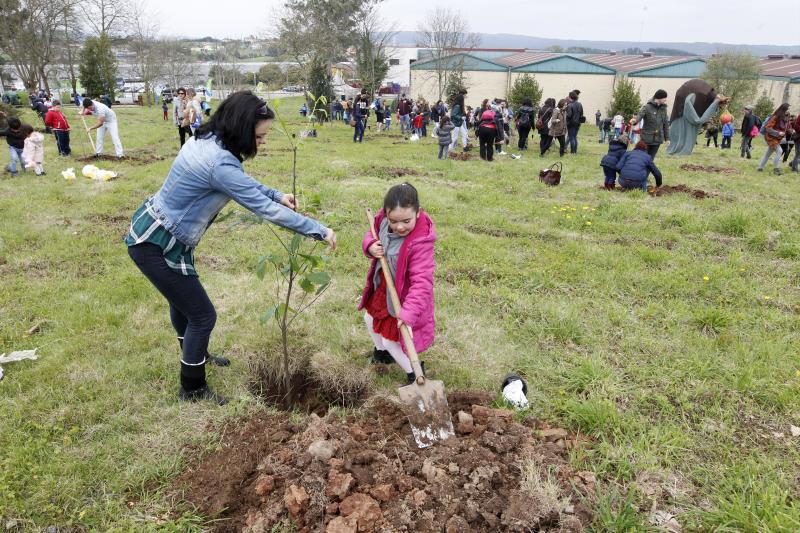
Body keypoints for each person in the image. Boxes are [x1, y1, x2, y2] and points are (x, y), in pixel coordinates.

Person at [125, 91, 337, 405]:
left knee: (183, 302)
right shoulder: (219, 163)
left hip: (159, 232)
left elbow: (240, 182)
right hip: (157, 243)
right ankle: (192, 388)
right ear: (241, 128)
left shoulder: (207, 140)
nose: (263, 141)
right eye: (260, 135)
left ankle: (193, 353)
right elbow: (263, 209)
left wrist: (276, 193)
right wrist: (318, 230)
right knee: (202, 315)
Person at [359, 183, 435, 384]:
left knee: (391, 340)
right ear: (386, 214)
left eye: (406, 221)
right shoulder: (382, 220)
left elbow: (422, 283)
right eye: (394, 221)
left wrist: (408, 314)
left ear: (417, 213)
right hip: (384, 287)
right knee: (369, 318)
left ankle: (415, 375)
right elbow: (372, 232)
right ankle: (383, 355)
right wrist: (370, 246)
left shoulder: (421, 241)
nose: (399, 226)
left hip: (404, 298)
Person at [667, 79, 728, 156]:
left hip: (689, 103)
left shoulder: (704, 95)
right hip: (684, 109)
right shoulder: (696, 96)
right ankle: (678, 148)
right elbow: (699, 118)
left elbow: (702, 116)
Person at [631, 90, 670, 159]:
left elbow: (666, 124)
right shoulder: (647, 107)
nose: (665, 100)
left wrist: (667, 138)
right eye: (664, 98)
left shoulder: (664, 109)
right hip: (646, 139)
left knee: (650, 160)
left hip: (657, 140)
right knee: (643, 159)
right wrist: (635, 120)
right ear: (659, 98)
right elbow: (640, 115)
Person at [757, 103, 790, 175]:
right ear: (783, 109)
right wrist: (778, 133)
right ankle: (776, 169)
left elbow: (785, 128)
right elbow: (768, 128)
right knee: (779, 151)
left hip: (777, 138)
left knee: (768, 154)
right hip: (770, 137)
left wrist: (790, 131)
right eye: (787, 109)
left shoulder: (785, 118)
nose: (788, 111)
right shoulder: (775, 117)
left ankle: (760, 167)